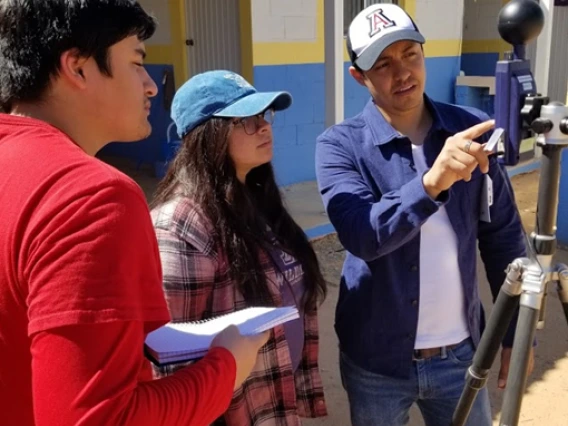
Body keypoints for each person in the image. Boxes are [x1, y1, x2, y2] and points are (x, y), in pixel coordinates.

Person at [0, 2, 268, 425]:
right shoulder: (89, 198)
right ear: (78, 68)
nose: (151, 86)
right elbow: (97, 418)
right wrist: (228, 367)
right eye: (136, 62)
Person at [315, 4, 533, 426]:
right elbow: (361, 234)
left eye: (410, 54)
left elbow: (503, 236)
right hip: (376, 363)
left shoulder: (470, 130)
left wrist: (513, 332)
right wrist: (431, 183)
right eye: (383, 64)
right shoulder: (339, 146)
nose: (402, 73)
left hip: (461, 355)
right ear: (358, 76)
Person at [150, 69, 328, 425]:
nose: (264, 126)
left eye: (263, 115)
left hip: (273, 404)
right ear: (209, 135)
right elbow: (172, 359)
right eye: (245, 120)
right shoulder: (182, 224)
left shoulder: (259, 201)